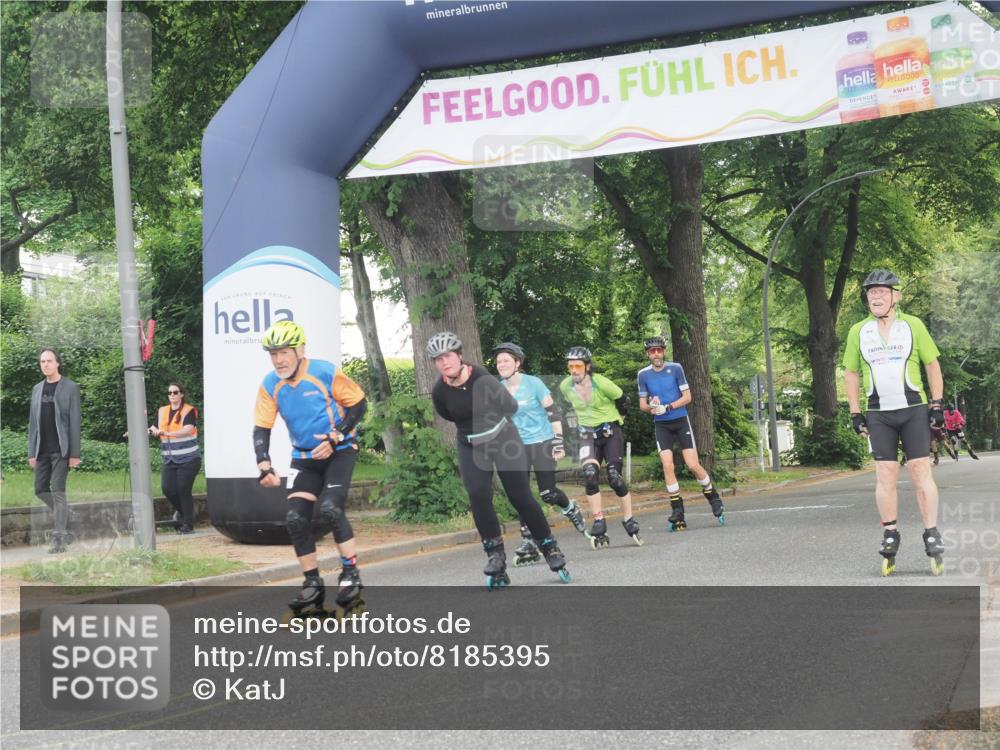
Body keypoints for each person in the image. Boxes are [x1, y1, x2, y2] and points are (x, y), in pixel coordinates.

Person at [428, 332, 570, 587]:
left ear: (459, 356)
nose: (444, 362)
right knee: (478, 493)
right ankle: (495, 555)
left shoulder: (481, 377)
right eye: (438, 359)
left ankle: (549, 547)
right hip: (471, 444)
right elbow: (449, 416)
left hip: (503, 439)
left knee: (520, 496)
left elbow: (511, 407)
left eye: (448, 356)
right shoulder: (439, 390)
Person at [253, 320, 368, 614]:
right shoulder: (270, 384)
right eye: (273, 354)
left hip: (339, 452)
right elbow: (261, 428)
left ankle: (350, 574)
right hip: (304, 458)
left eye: (284, 353)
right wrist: (264, 463)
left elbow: (358, 404)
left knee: (331, 508)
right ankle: (312, 583)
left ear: (300, 350)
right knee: (294, 518)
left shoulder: (324, 372)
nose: (278, 360)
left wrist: (337, 433)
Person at [843, 269, 946, 576]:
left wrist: (937, 403)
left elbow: (932, 364)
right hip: (878, 414)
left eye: (882, 292)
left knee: (919, 470)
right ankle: (890, 532)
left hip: (913, 407)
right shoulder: (858, 331)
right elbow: (851, 373)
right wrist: (854, 411)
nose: (875, 296)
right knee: (885, 472)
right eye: (871, 292)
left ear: (896, 296)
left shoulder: (913, 325)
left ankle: (931, 532)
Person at [492, 342, 587, 566]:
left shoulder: (533, 383)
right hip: (516, 446)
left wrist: (558, 443)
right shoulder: (498, 388)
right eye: (498, 362)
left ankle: (569, 507)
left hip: (542, 441)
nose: (501, 364)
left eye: (505, 360)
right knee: (522, 495)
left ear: (517, 362)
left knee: (547, 493)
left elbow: (553, 413)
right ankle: (528, 540)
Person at [637, 336, 724, 531]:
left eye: (659, 350)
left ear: (664, 351)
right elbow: (642, 405)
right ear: (648, 354)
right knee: (667, 466)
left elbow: (688, 397)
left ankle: (713, 496)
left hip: (680, 420)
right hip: (661, 424)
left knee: (692, 464)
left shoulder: (675, 368)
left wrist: (668, 407)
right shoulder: (643, 375)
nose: (656, 354)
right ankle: (677, 509)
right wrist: (652, 407)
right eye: (653, 351)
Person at [558, 346, 641, 548]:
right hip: (587, 434)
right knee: (589, 474)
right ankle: (598, 519)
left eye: (578, 366)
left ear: (587, 367)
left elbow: (624, 400)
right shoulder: (565, 387)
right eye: (571, 367)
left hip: (610, 432)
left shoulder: (602, 383)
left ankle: (628, 518)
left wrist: (619, 419)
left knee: (614, 476)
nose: (574, 370)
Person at [28, 348, 82, 554]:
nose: (45, 365)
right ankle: (68, 514)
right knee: (40, 489)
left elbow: (75, 422)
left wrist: (74, 454)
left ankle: (59, 540)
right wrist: (31, 452)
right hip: (42, 449)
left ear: (57, 363)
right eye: (42, 361)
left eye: (49, 361)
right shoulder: (36, 389)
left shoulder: (70, 387)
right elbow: (33, 423)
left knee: (58, 491)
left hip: (61, 449)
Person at [150, 382, 200, 533]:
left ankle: (188, 524)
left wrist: (166, 433)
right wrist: (137, 431)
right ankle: (186, 515)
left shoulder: (188, 411)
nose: (172, 395)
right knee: (168, 489)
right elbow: (154, 428)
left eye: (175, 392)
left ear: (182, 394)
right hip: (170, 459)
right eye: (170, 393)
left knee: (183, 489)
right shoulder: (162, 411)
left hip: (189, 458)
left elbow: (187, 430)